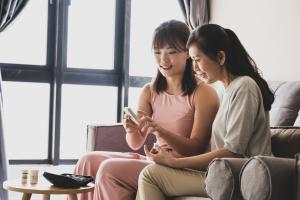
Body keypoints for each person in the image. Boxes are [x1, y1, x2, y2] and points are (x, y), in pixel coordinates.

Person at [74, 20, 219, 200]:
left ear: (188, 53)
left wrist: (161, 131)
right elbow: (135, 143)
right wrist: (131, 130)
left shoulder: (203, 92)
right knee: (87, 161)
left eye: (172, 52)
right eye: (157, 52)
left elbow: (196, 148)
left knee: (109, 169)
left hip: (180, 167)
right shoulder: (149, 91)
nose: (163, 60)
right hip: (155, 160)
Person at [136, 24, 275, 199]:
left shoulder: (244, 86)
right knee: (151, 174)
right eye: (192, 60)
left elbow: (234, 152)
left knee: (150, 175)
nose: (194, 68)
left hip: (243, 178)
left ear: (221, 57)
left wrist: (175, 162)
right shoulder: (228, 89)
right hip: (224, 173)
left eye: (197, 60)